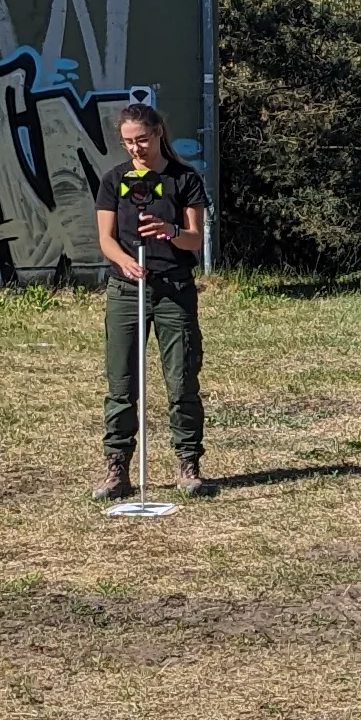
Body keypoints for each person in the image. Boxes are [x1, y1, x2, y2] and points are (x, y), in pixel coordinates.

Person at [94, 99, 206, 500]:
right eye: (128, 142)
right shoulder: (114, 180)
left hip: (174, 288)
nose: (136, 148)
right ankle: (117, 468)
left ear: (158, 133)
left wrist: (169, 229)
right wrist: (124, 261)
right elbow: (106, 239)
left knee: (181, 379)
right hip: (127, 291)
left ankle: (188, 463)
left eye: (141, 139)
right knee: (122, 382)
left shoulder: (184, 179)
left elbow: (195, 240)